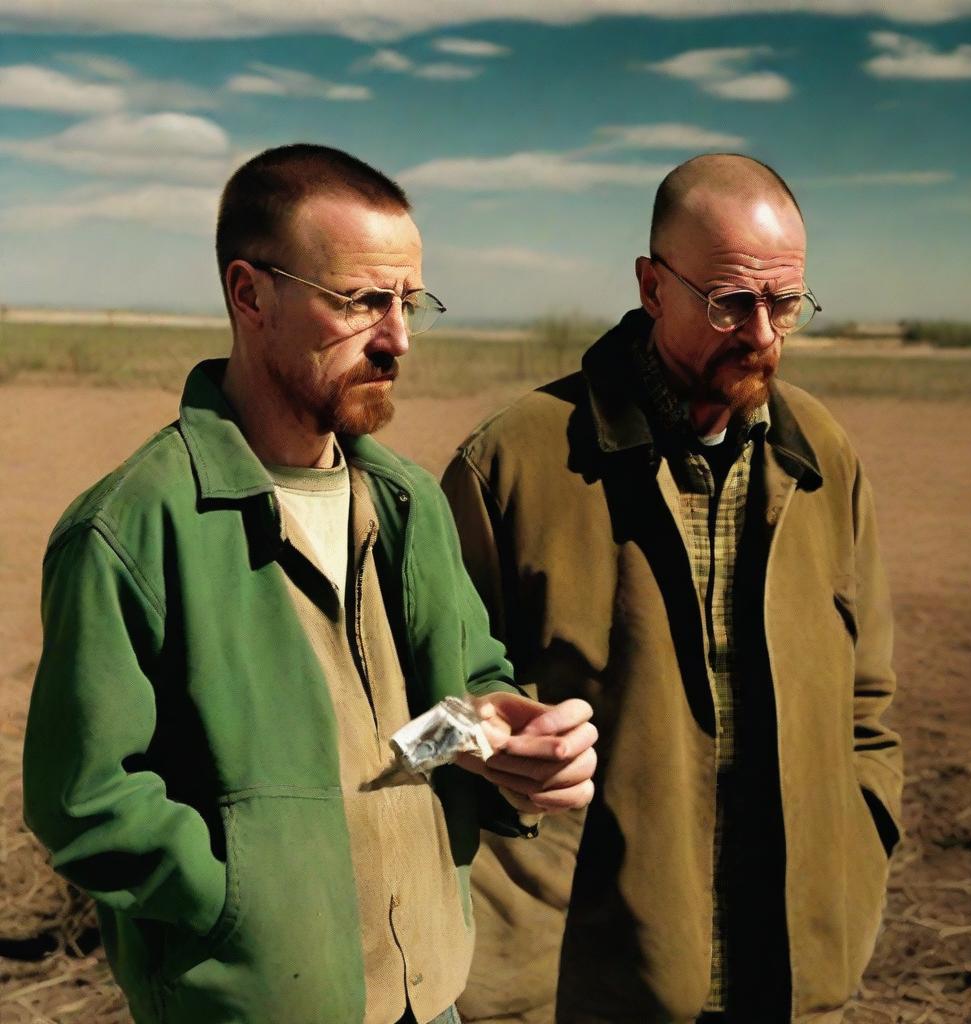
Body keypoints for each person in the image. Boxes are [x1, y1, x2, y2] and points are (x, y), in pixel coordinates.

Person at [22, 144, 597, 1024]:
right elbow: (85, 800)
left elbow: (436, 712)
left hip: (431, 993)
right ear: (250, 295)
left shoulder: (407, 503)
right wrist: (243, 908)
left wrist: (496, 731)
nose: (398, 337)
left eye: (409, 303)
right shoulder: (130, 528)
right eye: (362, 301)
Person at [442, 153, 902, 1024]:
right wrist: (478, 740)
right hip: (583, 981)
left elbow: (868, 706)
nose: (763, 333)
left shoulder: (824, 458)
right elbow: (406, 719)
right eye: (731, 301)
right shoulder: (511, 462)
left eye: (787, 303)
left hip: (791, 972)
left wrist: (863, 838)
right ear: (652, 287)